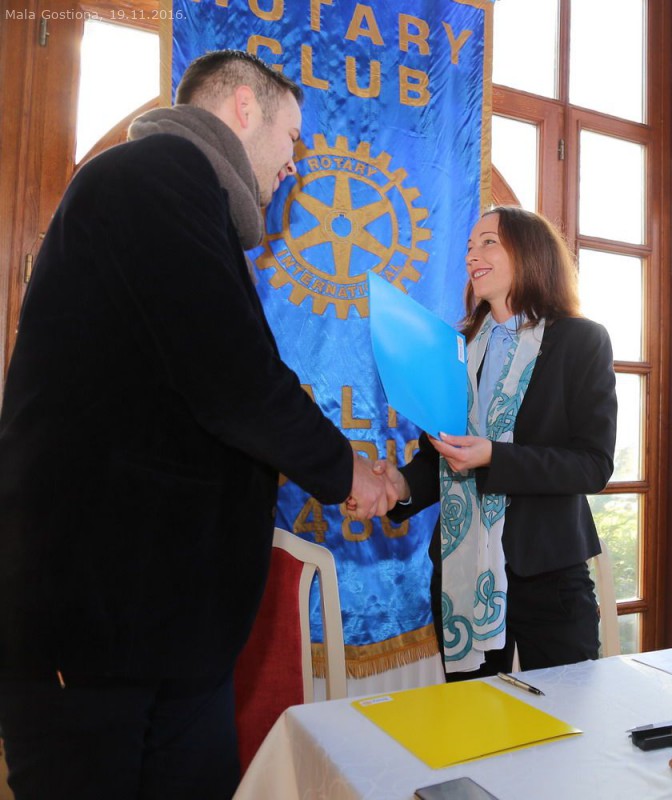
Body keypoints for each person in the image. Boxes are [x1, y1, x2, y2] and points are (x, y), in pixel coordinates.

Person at [0, 50, 396, 799]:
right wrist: (350, 471)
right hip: (95, 633)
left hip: (163, 635)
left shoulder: (185, 200)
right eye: (291, 136)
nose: (293, 161)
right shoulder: (155, 174)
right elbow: (234, 379)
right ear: (244, 107)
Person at [379, 206, 617, 679]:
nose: (472, 256)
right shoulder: (456, 347)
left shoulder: (581, 341)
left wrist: (494, 457)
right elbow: (439, 456)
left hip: (548, 574)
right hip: (462, 574)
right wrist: (399, 487)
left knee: (569, 716)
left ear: (531, 253)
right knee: (475, 721)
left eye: (489, 242)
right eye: (470, 246)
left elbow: (593, 465)